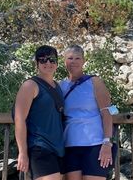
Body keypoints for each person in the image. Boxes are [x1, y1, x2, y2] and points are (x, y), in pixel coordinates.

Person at [60, 45, 116, 180]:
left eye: (77, 58)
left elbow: (107, 112)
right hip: (70, 145)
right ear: (64, 61)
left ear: (84, 61)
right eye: (70, 58)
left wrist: (107, 142)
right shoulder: (60, 86)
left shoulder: (94, 82)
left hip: (95, 144)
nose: (74, 61)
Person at [14, 45, 64, 180]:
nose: (48, 63)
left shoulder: (57, 86)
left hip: (58, 149)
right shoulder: (30, 85)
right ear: (36, 64)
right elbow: (19, 119)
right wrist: (22, 153)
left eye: (52, 60)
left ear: (57, 63)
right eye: (43, 60)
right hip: (40, 146)